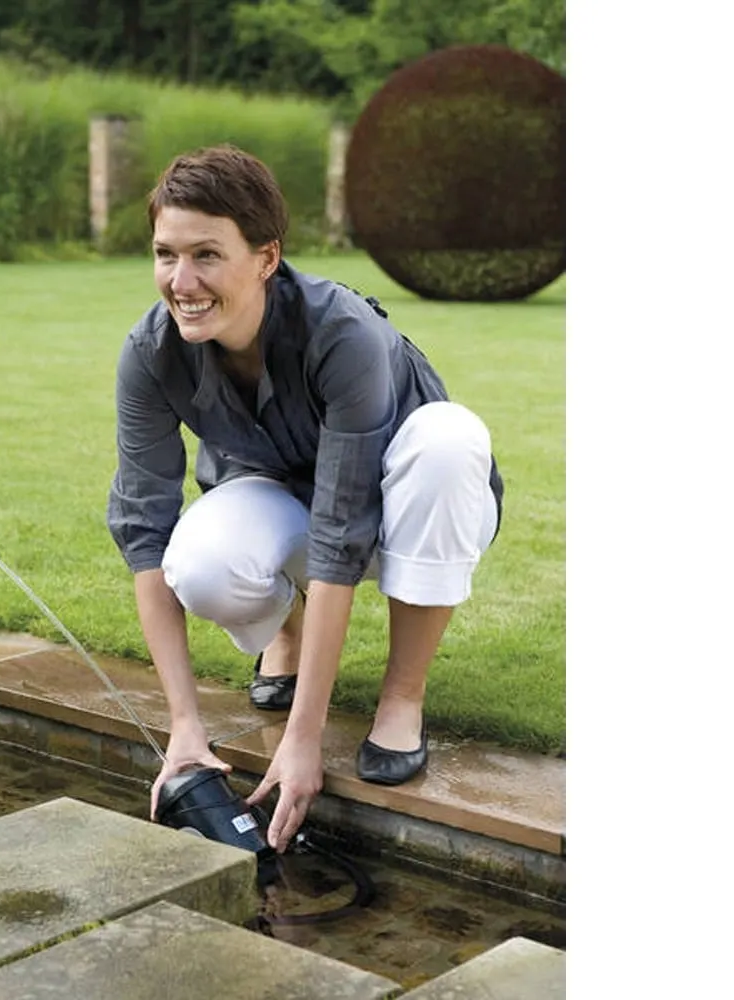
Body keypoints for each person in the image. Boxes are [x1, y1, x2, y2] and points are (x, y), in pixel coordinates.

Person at [106, 145, 503, 854]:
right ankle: (282, 635)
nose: (181, 281)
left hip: (416, 510)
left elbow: (342, 532)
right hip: (293, 499)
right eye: (166, 254)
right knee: (199, 561)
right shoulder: (151, 351)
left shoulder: (341, 333)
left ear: (266, 258)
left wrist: (303, 739)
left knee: (449, 438)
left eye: (206, 255)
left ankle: (401, 697)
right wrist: (185, 727)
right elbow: (145, 530)